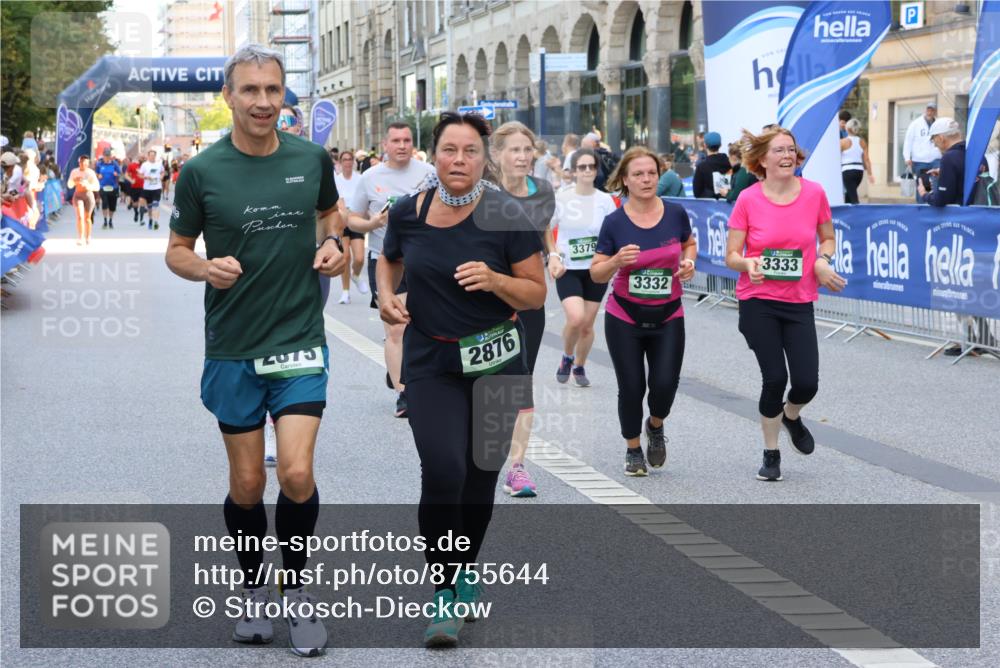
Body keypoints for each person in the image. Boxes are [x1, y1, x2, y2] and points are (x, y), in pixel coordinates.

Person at [165, 44, 345, 657]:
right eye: (250, 90)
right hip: (234, 346)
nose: (264, 102)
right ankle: (251, 590)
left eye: (273, 90)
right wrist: (204, 268)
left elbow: (332, 215)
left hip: (298, 340)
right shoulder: (202, 171)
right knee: (246, 483)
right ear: (229, 96)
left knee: (294, 473)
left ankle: (296, 593)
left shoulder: (310, 158)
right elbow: (177, 251)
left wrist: (334, 244)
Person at [377, 111, 545, 647]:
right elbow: (389, 259)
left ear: (483, 159)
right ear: (434, 155)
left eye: (470, 151)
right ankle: (445, 590)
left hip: (497, 360)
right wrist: (386, 294)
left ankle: (466, 565)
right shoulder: (408, 212)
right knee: (444, 469)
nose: (459, 160)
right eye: (449, 149)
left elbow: (535, 293)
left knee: (480, 477)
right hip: (432, 361)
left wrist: (496, 280)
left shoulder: (506, 214)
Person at [725, 127, 847, 482]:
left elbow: (827, 237)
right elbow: (731, 255)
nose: (787, 155)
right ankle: (771, 453)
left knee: (807, 383)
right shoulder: (748, 199)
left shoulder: (814, 193)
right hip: (758, 300)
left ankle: (791, 416)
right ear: (762, 159)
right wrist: (747, 263)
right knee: (775, 377)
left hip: (799, 300)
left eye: (791, 149)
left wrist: (822, 261)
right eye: (779, 150)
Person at [590, 147, 697, 476]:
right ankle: (633, 449)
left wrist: (689, 261)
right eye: (638, 174)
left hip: (668, 314)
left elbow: (688, 243)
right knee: (631, 386)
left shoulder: (675, 213)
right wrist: (616, 261)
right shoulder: (614, 222)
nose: (646, 179)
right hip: (624, 316)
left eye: (652, 173)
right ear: (625, 179)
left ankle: (655, 424)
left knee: (665, 385)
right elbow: (596, 273)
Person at [347, 123, 435, 418]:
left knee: (421, 326)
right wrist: (371, 224)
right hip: (385, 259)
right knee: (396, 327)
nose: (402, 145)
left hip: (424, 260)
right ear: (385, 144)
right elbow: (352, 219)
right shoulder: (370, 177)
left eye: (407, 140)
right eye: (396, 140)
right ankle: (404, 394)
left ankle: (400, 368)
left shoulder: (428, 174)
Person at [492, 121, 558, 498]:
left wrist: (554, 255)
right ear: (498, 155)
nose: (522, 156)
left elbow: (544, 231)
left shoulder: (543, 191)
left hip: (528, 297)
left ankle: (516, 467)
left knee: (521, 378)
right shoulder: (482, 193)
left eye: (527, 149)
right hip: (484, 299)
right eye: (514, 150)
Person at [549, 148, 615, 386]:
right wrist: (553, 255)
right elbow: (545, 227)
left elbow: (614, 233)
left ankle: (579, 365)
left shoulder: (605, 201)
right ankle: (567, 356)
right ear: (574, 171)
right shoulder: (562, 198)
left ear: (596, 170)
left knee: (587, 325)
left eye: (591, 166)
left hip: (596, 270)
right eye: (582, 167)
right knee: (576, 318)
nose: (587, 171)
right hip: (568, 268)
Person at [334, 149, 368, 304]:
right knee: (345, 256)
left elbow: (363, 201)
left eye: (350, 159)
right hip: (342, 221)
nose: (347, 162)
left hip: (356, 220)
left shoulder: (360, 179)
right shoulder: (337, 180)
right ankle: (345, 292)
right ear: (340, 163)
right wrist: (345, 214)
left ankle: (356, 275)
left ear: (353, 162)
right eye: (344, 160)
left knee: (359, 258)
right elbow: (339, 202)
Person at [903, 102, 942, 203]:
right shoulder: (915, 124)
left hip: (936, 159)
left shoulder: (939, 124)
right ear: (925, 110)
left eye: (932, 110)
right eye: (928, 110)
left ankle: (935, 204)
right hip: (921, 160)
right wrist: (907, 157)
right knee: (923, 184)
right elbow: (908, 141)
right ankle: (921, 206)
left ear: (935, 112)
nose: (930, 112)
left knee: (936, 183)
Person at [840, 119, 874, 204]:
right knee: (849, 195)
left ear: (847, 129)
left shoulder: (842, 142)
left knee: (853, 199)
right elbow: (866, 159)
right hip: (859, 172)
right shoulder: (862, 142)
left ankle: (859, 212)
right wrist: (870, 174)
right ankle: (847, 211)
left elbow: (836, 158)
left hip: (847, 171)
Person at [67, 155, 100, 245]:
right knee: (80, 216)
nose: (83, 164)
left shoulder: (90, 173)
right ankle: (80, 237)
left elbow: (97, 187)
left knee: (87, 218)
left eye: (85, 163)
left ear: (88, 164)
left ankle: (88, 236)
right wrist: (74, 181)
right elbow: (69, 185)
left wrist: (87, 185)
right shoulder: (74, 172)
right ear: (79, 163)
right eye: (81, 162)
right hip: (78, 195)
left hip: (88, 196)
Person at [692, 131, 731, 199]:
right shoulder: (729, 162)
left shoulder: (702, 166)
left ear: (705, 145)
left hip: (709, 204)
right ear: (720, 145)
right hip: (729, 202)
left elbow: (697, 192)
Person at [95, 148, 122, 229]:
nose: (107, 157)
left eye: (108, 155)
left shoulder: (114, 164)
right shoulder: (99, 164)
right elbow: (96, 173)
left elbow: (120, 174)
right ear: (103, 156)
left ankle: (110, 220)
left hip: (113, 187)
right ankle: (105, 220)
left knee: (112, 206)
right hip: (103, 187)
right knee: (105, 203)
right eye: (105, 156)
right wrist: (98, 175)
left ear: (110, 156)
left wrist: (116, 174)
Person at [124, 156, 144, 223]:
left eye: (144, 158)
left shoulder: (146, 165)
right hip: (134, 186)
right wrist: (131, 180)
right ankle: (136, 212)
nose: (142, 159)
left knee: (142, 201)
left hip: (144, 187)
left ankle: (141, 219)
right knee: (135, 203)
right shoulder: (132, 165)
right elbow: (126, 175)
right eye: (141, 158)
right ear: (138, 158)